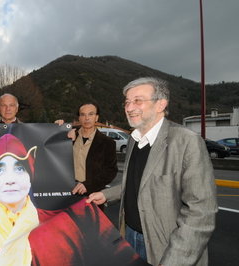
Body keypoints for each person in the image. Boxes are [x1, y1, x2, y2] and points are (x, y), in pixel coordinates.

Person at [0, 133, 143, 266]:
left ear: (30, 175)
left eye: (19, 168)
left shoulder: (72, 221)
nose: (10, 180)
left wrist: (60, 130)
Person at [87, 77, 217, 266]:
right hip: (129, 236)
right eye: (127, 102)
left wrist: (174, 261)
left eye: (138, 100)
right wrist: (106, 194)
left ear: (161, 104)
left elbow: (201, 213)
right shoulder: (134, 139)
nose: (129, 108)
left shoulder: (186, 141)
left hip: (166, 247)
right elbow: (138, 184)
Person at [57, 103, 118, 206]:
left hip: (92, 195)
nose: (87, 118)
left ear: (96, 117)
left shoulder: (108, 143)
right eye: (83, 114)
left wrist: (88, 185)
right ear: (79, 118)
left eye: (90, 114)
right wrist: (56, 128)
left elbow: (110, 171)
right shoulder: (68, 135)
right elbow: (52, 156)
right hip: (66, 193)